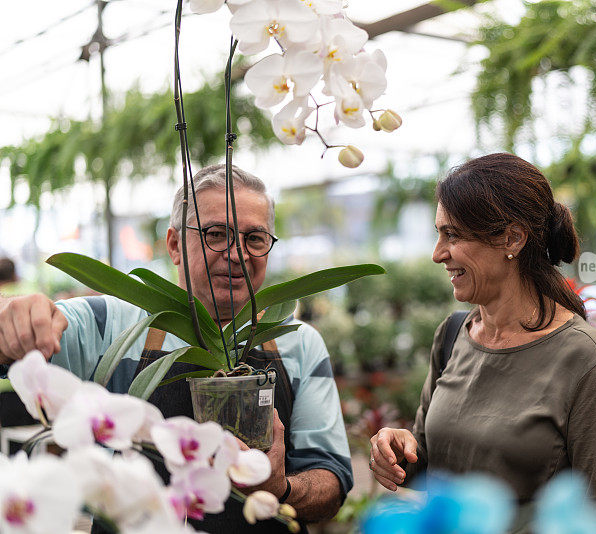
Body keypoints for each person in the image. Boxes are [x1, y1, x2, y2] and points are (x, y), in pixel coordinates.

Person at [0, 165, 351, 532]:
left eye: (255, 238)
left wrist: (281, 488)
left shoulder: (298, 342)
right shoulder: (111, 325)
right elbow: (32, 325)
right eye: (216, 234)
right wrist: (14, 313)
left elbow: (332, 480)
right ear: (173, 245)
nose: (236, 254)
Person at [368, 153, 596, 530]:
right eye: (439, 233)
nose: (438, 253)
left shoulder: (585, 358)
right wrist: (397, 450)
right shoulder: (453, 335)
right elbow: (432, 469)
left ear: (512, 238)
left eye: (452, 234)